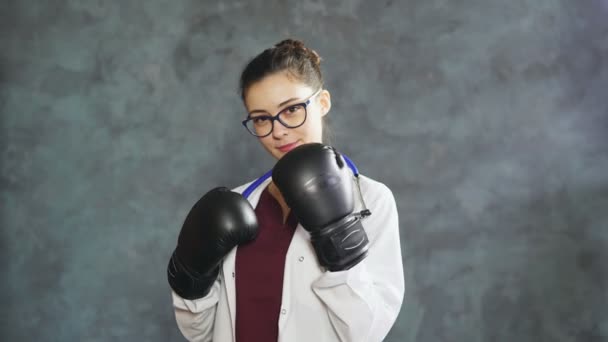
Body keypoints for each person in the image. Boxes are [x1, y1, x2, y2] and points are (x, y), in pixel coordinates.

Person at [167, 38, 404, 342]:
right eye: (261, 119)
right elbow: (198, 332)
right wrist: (191, 281)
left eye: (291, 109)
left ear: (322, 102)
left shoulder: (371, 201)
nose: (278, 130)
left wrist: (339, 238)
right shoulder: (239, 203)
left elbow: (366, 333)